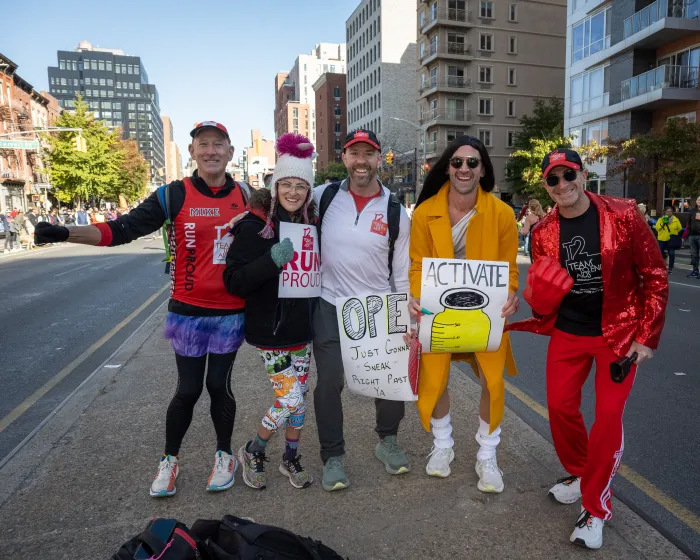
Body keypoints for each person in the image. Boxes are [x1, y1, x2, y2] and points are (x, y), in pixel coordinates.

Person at [34, 121, 249, 498]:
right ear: (193, 152)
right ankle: (169, 460)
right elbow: (122, 230)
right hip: (188, 311)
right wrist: (65, 232)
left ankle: (224, 455)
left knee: (219, 386)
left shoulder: (248, 196)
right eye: (204, 145)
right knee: (187, 390)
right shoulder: (173, 195)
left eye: (219, 145)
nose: (211, 151)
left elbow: (285, 225)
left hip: (231, 310)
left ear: (230, 153)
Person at [508, 148, 668, 549]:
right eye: (553, 179)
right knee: (560, 408)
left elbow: (654, 275)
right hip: (569, 330)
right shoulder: (542, 232)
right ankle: (582, 473)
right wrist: (538, 297)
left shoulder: (623, 214)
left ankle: (596, 508)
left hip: (618, 332)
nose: (563, 185)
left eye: (569, 175)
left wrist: (645, 336)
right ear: (546, 185)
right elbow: (545, 296)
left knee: (608, 418)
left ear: (582, 175)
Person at [406, 135, 520, 491]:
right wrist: (415, 297)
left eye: (472, 162)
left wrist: (512, 294)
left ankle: (487, 455)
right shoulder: (425, 212)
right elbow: (416, 266)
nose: (464, 169)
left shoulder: (502, 214)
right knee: (436, 380)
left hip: (485, 313)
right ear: (447, 168)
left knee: (492, 382)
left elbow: (509, 268)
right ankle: (443, 447)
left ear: (483, 168)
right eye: (457, 162)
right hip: (438, 310)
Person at [313, 129, 411, 491]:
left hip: (379, 306)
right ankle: (333, 456)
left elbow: (401, 271)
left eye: (368, 154)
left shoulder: (395, 211)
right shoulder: (322, 197)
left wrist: (405, 319)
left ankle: (387, 441)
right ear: (344, 158)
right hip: (330, 303)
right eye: (354, 153)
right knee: (329, 382)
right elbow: (283, 209)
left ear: (379, 159)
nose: (361, 161)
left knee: (391, 381)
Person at [224, 133, 316, 490]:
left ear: (309, 192)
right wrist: (271, 261)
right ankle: (253, 448)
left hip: (301, 333)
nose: (293, 193)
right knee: (290, 397)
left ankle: (290, 457)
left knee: (298, 401)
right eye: (286, 185)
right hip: (270, 335)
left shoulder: (311, 226)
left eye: (301, 186)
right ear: (275, 187)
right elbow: (234, 281)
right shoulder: (252, 228)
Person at [655, 206, 682, 274]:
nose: (669, 213)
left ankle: (670, 268)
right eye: (667, 212)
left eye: (670, 211)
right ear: (664, 212)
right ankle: (659, 266)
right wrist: (663, 223)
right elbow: (657, 228)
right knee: (659, 253)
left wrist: (673, 232)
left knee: (671, 253)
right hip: (662, 238)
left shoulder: (675, 219)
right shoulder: (661, 219)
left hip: (671, 239)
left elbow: (679, 228)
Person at [685, 195, 700, 278]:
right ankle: (695, 270)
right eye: (698, 199)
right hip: (692, 235)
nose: (699, 201)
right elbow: (689, 222)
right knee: (694, 254)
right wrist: (689, 232)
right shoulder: (692, 210)